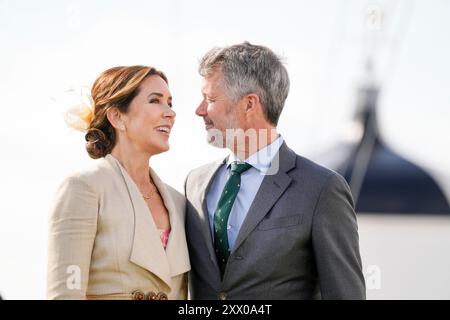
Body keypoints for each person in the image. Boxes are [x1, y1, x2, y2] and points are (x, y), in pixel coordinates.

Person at [185, 42, 366, 299]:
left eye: (210, 99)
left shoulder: (321, 189)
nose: (199, 110)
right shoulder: (195, 184)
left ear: (249, 104)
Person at [47, 66, 190, 300]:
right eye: (155, 101)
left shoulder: (180, 203)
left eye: (170, 103)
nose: (170, 113)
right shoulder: (83, 188)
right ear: (117, 117)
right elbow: (65, 293)